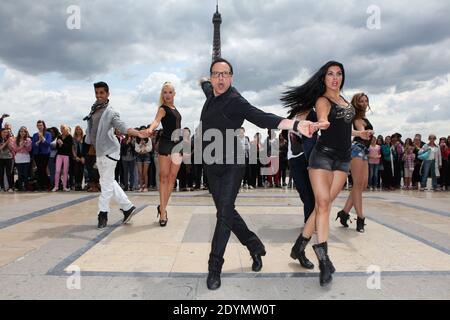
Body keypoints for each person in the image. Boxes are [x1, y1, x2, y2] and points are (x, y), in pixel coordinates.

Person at [198, 58, 317, 290]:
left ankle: (214, 268)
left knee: (223, 216)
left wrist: (294, 125)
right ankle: (254, 245)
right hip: (211, 165)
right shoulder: (210, 93)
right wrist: (202, 81)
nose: (220, 78)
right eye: (215, 74)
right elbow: (203, 85)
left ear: (232, 78)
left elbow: (263, 118)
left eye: (225, 74)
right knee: (227, 212)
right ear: (212, 78)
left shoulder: (236, 101)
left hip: (232, 164)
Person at [84, 81, 144, 229]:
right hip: (100, 151)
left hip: (110, 151)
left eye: (101, 93)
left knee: (105, 184)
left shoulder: (110, 112)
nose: (99, 96)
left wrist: (138, 133)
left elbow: (121, 126)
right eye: (97, 93)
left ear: (107, 94)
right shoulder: (94, 109)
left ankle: (102, 214)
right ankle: (128, 207)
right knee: (109, 182)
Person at [280, 84, 319, 269]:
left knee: (312, 193)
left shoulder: (314, 114)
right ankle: (310, 222)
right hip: (293, 159)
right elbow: (284, 132)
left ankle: (309, 225)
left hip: (309, 157)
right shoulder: (293, 115)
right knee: (304, 193)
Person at [146, 82, 183, 227]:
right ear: (163, 95)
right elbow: (156, 121)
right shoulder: (163, 109)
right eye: (165, 92)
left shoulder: (175, 109)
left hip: (178, 145)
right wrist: (150, 128)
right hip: (166, 144)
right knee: (164, 178)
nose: (167, 95)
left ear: (174, 94)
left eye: (170, 92)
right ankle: (163, 213)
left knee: (172, 178)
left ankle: (162, 207)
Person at [336, 93, 374, 233]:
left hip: (364, 151)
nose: (364, 103)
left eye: (366, 101)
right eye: (361, 101)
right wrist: (366, 132)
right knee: (357, 185)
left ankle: (344, 213)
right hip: (357, 150)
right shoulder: (357, 118)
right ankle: (360, 218)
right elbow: (360, 131)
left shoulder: (363, 117)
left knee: (361, 185)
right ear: (356, 103)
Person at [32, 120, 52, 191]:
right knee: (39, 169)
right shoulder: (34, 135)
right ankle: (40, 185)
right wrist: (38, 141)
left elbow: (48, 144)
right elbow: (33, 145)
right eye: (38, 125)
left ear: (43, 126)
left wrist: (42, 138)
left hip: (45, 154)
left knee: (43, 169)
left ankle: (45, 185)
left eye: (41, 125)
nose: (40, 126)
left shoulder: (48, 134)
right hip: (37, 154)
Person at [52, 124, 74, 192]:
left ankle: (64, 187)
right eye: (61, 128)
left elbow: (69, 147)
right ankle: (56, 186)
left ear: (66, 129)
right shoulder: (59, 136)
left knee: (65, 171)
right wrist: (59, 144)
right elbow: (57, 148)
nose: (62, 129)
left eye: (63, 128)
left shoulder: (70, 137)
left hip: (66, 156)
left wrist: (62, 144)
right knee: (57, 171)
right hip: (59, 155)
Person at [12, 126, 32, 191]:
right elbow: (15, 149)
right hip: (19, 158)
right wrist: (21, 146)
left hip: (26, 157)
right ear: (19, 132)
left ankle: (26, 187)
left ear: (26, 132)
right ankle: (20, 187)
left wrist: (25, 145)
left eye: (24, 131)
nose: (23, 133)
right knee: (20, 174)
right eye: (21, 131)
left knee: (26, 174)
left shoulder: (28, 139)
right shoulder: (15, 140)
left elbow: (29, 149)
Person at [135, 125, 153, 192]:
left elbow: (150, 148)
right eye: (142, 130)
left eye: (144, 130)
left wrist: (144, 146)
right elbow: (136, 149)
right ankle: (141, 187)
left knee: (145, 172)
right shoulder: (137, 139)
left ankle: (145, 187)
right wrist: (140, 144)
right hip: (139, 156)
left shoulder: (148, 139)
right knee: (140, 172)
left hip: (146, 155)